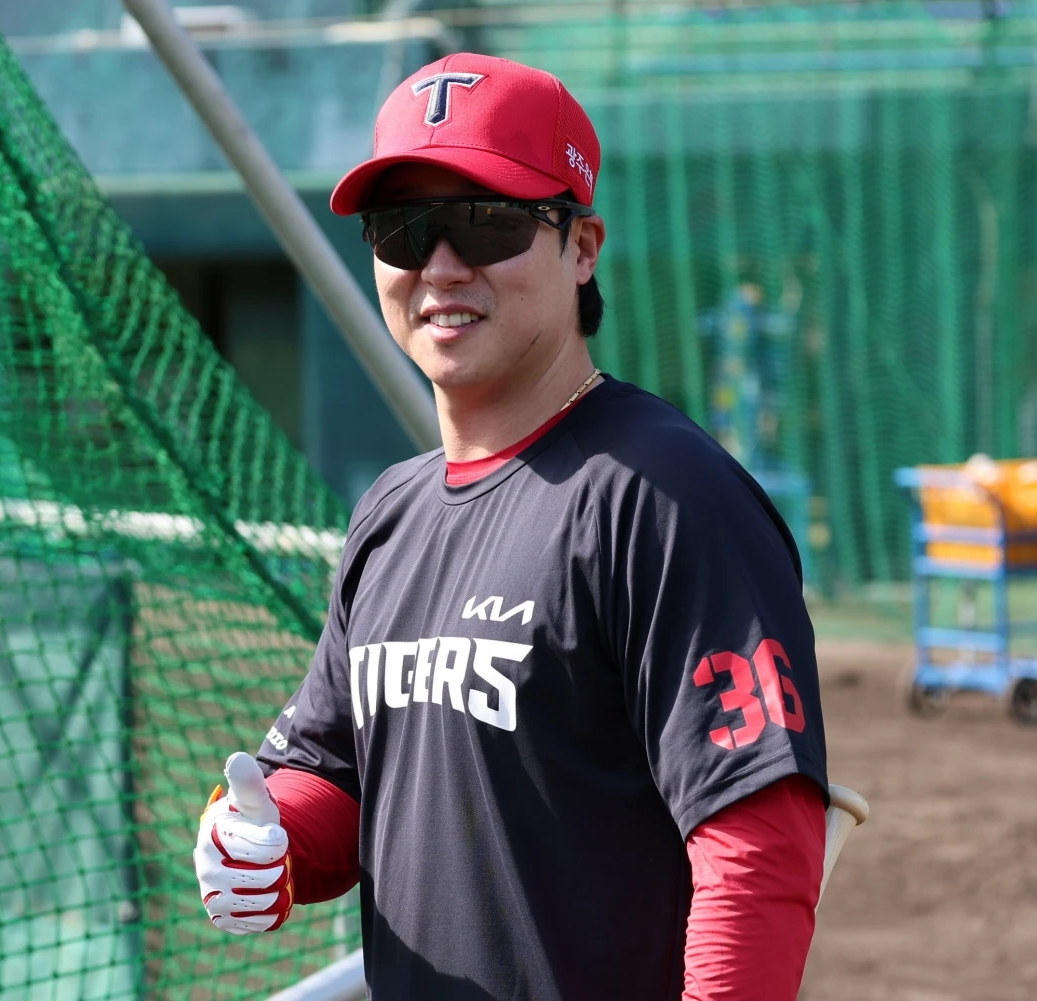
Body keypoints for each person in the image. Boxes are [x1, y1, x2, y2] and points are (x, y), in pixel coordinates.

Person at [195, 53, 829, 1001]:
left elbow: (757, 843)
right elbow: (336, 771)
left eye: (487, 221)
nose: (442, 266)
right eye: (404, 229)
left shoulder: (665, 492)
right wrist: (266, 837)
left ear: (582, 247)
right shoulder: (392, 511)